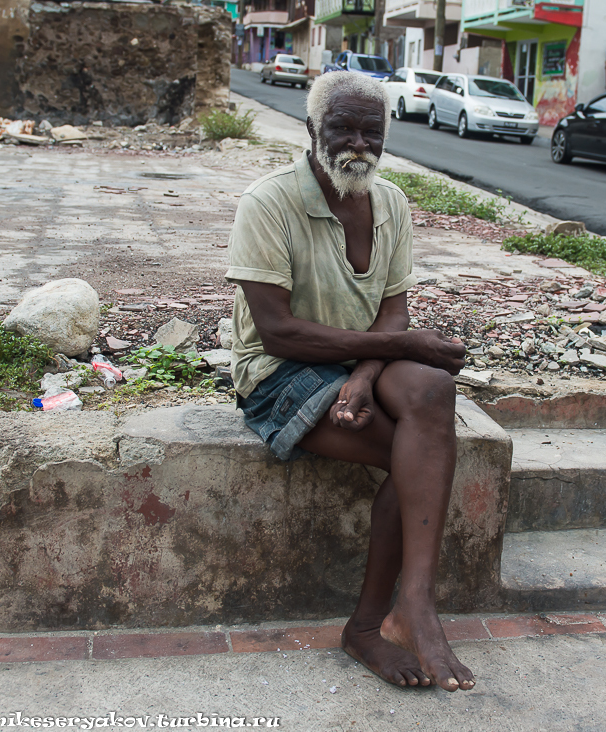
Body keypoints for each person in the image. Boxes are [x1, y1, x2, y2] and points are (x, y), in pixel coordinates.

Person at [223, 71, 474, 692]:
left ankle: (413, 605)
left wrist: (365, 374)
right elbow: (278, 332)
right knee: (418, 457)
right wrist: (401, 347)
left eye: (372, 130)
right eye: (342, 127)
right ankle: (368, 627)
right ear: (311, 129)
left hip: (356, 358)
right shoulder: (269, 201)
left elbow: (391, 311)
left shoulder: (391, 202)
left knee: (431, 392)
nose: (358, 143)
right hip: (279, 372)